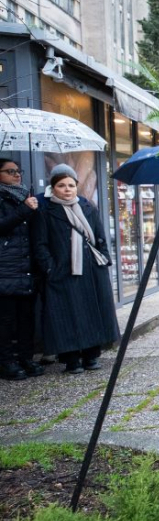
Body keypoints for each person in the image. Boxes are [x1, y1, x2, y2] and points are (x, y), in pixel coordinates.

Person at [33, 164, 119, 374]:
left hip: (91, 269)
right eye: (61, 185)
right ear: (53, 188)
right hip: (63, 271)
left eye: (71, 185)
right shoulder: (45, 211)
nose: (67, 189)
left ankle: (91, 356)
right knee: (66, 316)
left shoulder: (88, 207)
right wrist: (50, 268)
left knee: (92, 311)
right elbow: (40, 244)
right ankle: (72, 360)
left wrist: (105, 258)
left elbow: (100, 237)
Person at [0, 158, 44, 380]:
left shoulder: (26, 196)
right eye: (10, 171)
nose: (17, 175)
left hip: (26, 268)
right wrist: (24, 211)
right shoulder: (7, 200)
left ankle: (26, 359)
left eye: (19, 171)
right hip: (6, 269)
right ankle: (7, 363)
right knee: (6, 321)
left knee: (26, 319)